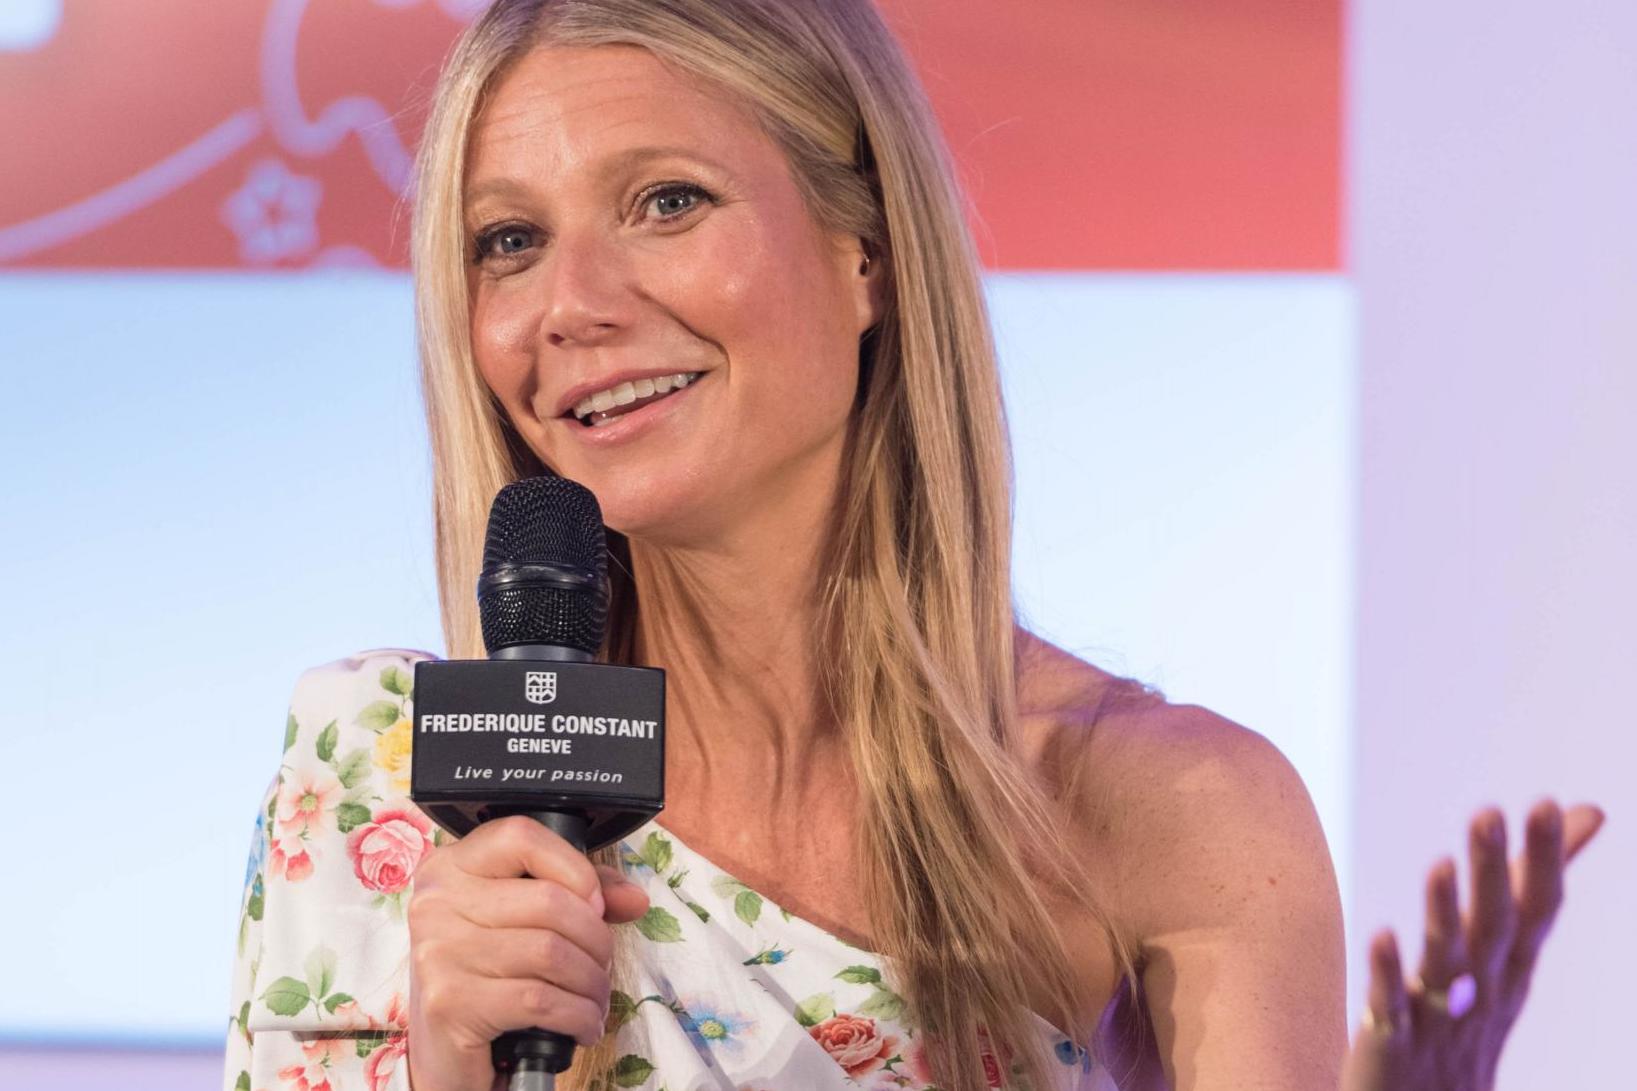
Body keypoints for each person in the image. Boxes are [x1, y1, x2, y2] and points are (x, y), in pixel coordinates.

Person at [220, 2, 1606, 1089]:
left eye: (665, 203)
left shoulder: (1163, 808)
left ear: (864, 248)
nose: (568, 305)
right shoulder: (383, 769)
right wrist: (452, 1074)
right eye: (508, 240)